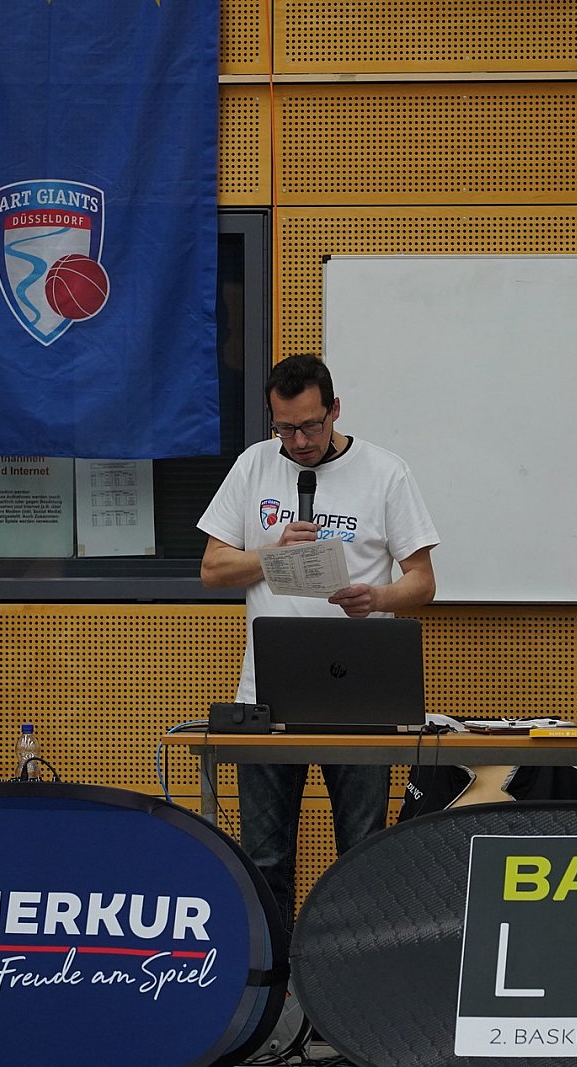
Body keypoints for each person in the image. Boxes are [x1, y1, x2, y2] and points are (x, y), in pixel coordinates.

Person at [198, 353, 439, 933]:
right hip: (268, 697)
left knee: (361, 853)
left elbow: (422, 582)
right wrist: (269, 555)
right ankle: (272, 978)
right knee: (264, 857)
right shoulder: (253, 466)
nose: (300, 442)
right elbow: (212, 569)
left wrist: (377, 598)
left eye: (311, 425)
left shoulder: (385, 472)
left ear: (335, 410)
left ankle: (351, 971)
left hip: (360, 700)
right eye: (285, 429)